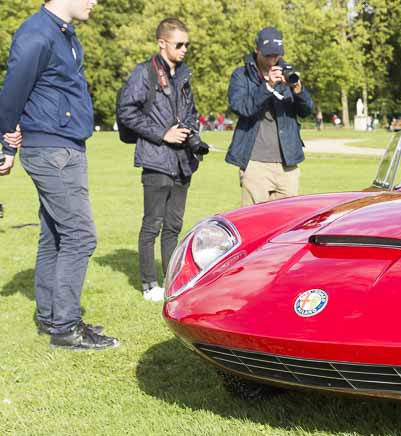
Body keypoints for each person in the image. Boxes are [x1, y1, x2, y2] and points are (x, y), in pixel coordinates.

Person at [0, 0, 119, 349]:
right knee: (81, 236)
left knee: (54, 234)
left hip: (62, 145)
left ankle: (52, 317)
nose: (95, 3)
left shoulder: (62, 33)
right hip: (53, 151)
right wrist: (5, 144)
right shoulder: (37, 34)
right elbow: (11, 94)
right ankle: (66, 328)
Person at [117, 17, 205, 302]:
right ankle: (148, 284)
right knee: (151, 224)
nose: (184, 50)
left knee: (174, 226)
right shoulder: (144, 73)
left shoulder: (184, 74)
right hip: (156, 159)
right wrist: (162, 134)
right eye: (179, 44)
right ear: (162, 43)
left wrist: (192, 132)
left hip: (182, 161)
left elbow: (191, 111)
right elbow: (126, 111)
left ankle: (170, 280)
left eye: (187, 45)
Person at [225, 27, 314, 206]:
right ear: (257, 50)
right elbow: (242, 107)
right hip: (255, 162)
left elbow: (306, 111)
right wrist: (267, 87)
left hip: (287, 163)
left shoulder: (287, 73)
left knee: (287, 221)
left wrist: (298, 91)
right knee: (253, 221)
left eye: (277, 55)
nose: (273, 59)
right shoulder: (241, 75)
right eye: (268, 55)